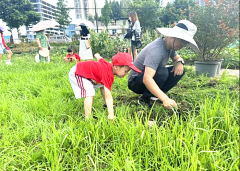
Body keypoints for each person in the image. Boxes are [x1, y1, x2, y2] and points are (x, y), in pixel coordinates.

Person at [128, 20, 199, 109]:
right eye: (182, 41)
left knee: (180, 70)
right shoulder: (156, 50)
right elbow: (147, 78)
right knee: (162, 72)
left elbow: (178, 58)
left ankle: (157, 95)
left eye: (186, 43)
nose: (184, 45)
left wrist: (180, 62)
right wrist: (165, 99)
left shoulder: (170, 46)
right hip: (135, 82)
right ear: (174, 37)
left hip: (146, 77)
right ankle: (145, 98)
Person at [68, 52, 141, 120]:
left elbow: (100, 59)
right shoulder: (107, 74)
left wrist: (97, 55)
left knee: (102, 85)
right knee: (89, 92)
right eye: (125, 71)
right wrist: (111, 114)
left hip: (83, 71)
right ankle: (88, 118)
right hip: (78, 72)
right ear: (116, 67)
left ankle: (106, 105)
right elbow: (108, 96)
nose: (126, 74)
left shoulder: (108, 65)